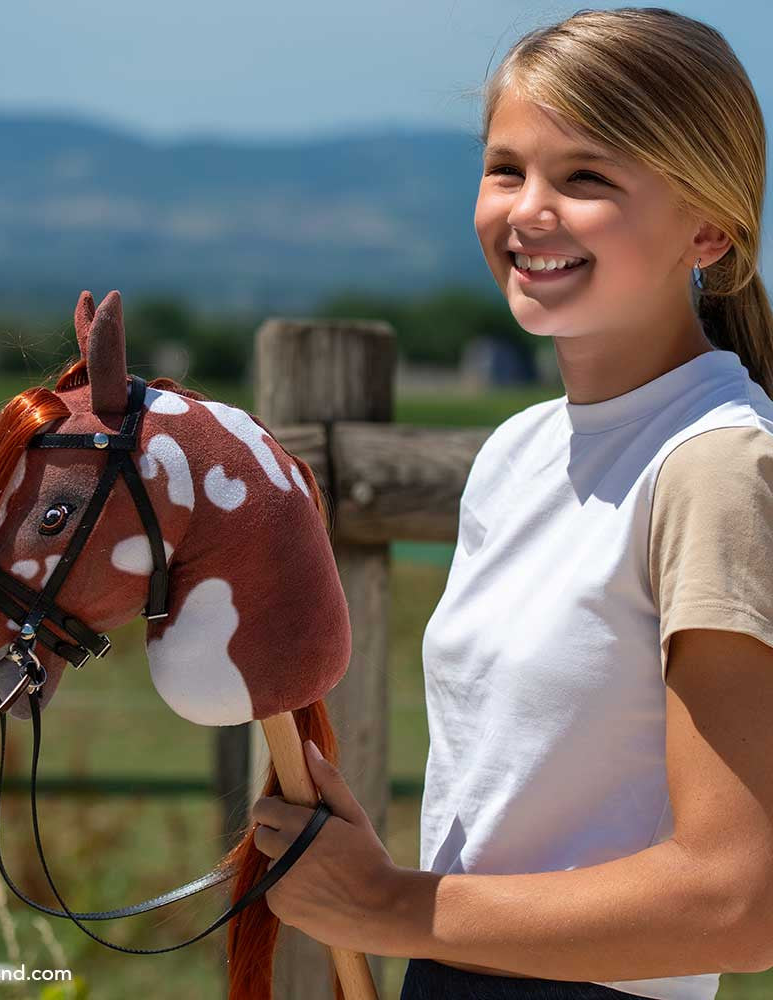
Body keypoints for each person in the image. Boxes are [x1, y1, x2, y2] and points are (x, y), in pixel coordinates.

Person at [250, 7, 773, 999]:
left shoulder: (717, 467)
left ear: (708, 227)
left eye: (586, 178)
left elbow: (739, 904)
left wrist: (388, 906)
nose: (528, 212)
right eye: (505, 170)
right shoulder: (516, 452)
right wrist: (383, 890)